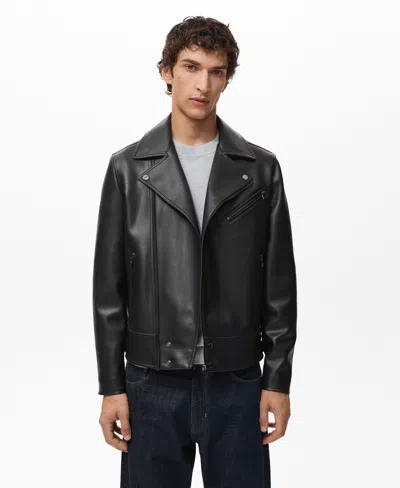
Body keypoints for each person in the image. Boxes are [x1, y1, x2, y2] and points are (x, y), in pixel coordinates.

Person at [92, 15, 297, 488]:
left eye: (216, 71)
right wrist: (112, 387)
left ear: (227, 79)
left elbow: (279, 286)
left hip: (238, 381)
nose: (203, 84)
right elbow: (108, 292)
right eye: (191, 67)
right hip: (151, 382)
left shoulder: (259, 170)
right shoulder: (128, 170)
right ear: (166, 71)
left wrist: (277, 379)